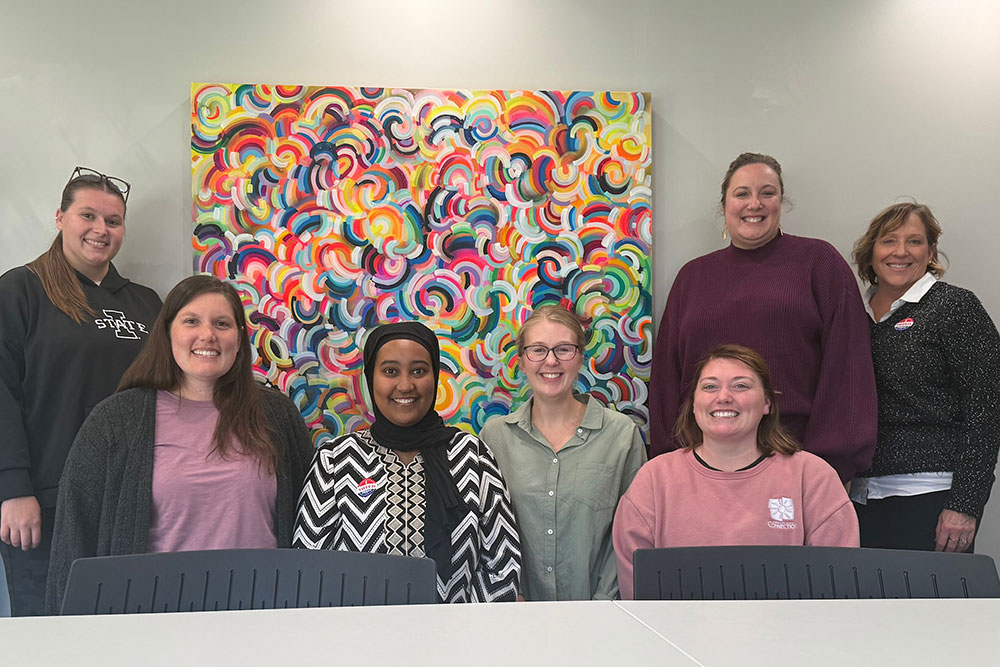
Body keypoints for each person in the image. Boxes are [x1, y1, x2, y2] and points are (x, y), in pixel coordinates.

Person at [45, 275, 313, 613]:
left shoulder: (277, 415)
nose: (208, 335)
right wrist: (67, 627)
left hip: (262, 608)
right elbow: (74, 535)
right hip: (154, 613)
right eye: (191, 321)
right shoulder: (115, 420)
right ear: (167, 332)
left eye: (222, 323)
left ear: (239, 338)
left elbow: (311, 522)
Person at [647, 152, 877, 483]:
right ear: (724, 204)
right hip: (701, 467)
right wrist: (671, 461)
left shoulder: (819, 263)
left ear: (781, 201)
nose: (754, 203)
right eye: (742, 193)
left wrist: (828, 465)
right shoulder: (692, 278)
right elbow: (668, 378)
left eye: (767, 193)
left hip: (797, 460)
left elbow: (848, 367)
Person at [0, 167, 161, 616]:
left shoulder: (146, 303)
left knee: (126, 628)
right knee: (50, 631)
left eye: (113, 220)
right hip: (45, 500)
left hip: (130, 499)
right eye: (87, 215)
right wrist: (12, 489)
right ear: (60, 218)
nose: (100, 229)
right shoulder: (20, 290)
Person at [294, 322, 521, 603]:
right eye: (390, 371)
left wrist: (463, 626)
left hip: (458, 629)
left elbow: (503, 564)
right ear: (371, 378)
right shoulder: (335, 459)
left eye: (418, 371)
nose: (405, 385)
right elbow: (309, 568)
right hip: (358, 629)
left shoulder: (472, 456)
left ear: (435, 376)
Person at [614, 344, 858, 600]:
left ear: (767, 403)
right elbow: (638, 586)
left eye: (741, 386)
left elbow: (837, 582)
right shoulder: (654, 479)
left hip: (790, 626)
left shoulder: (813, 477)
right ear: (694, 404)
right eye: (710, 386)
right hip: (676, 625)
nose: (723, 397)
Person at [850, 202, 1000, 552]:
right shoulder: (852, 316)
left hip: (931, 498)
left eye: (914, 241)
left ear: (931, 252)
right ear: (871, 252)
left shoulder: (955, 307)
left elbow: (987, 409)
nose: (900, 251)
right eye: (889, 240)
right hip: (859, 499)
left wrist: (965, 504)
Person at [480, 305, 645, 600]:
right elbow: (485, 531)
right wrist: (509, 597)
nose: (551, 361)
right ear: (522, 361)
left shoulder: (621, 435)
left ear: (580, 358)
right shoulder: (494, 437)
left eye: (564, 349)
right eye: (538, 350)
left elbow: (633, 532)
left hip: (602, 615)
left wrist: (603, 604)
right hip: (515, 615)